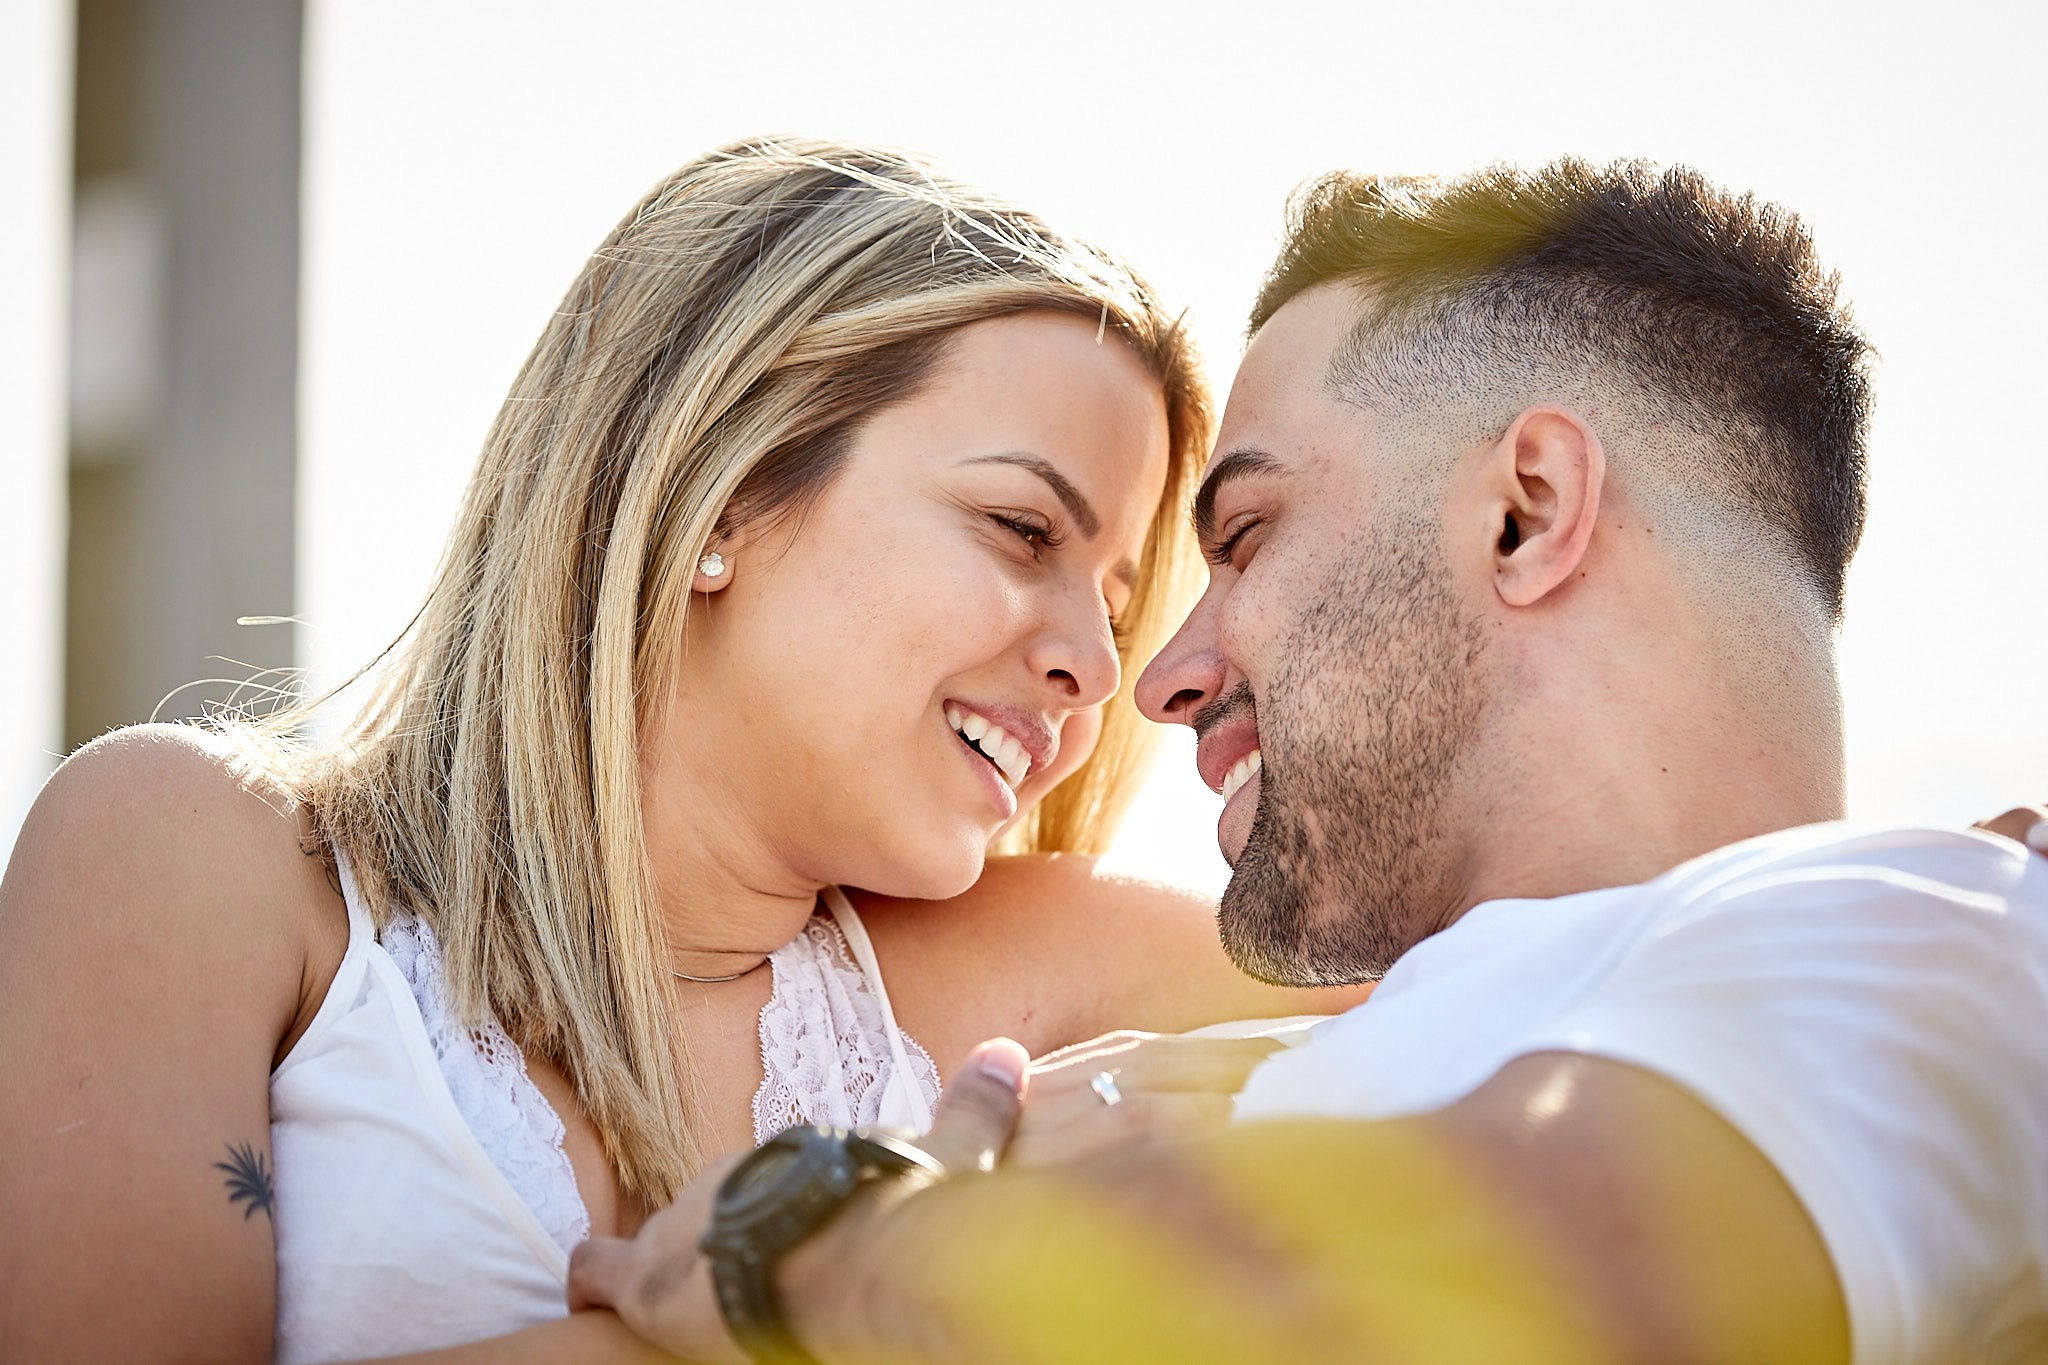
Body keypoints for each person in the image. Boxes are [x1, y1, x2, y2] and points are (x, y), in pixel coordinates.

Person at [568, 160, 2048, 1364]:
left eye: (1250, 532)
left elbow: (1446, 1296)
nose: (1163, 674)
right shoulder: (1257, 1065)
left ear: (1525, 512)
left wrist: (826, 1242)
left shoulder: (1932, 932)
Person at [0, 139, 1364, 1364]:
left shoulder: (1028, 975)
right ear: (725, 488)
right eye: (1021, 531)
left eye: (1121, 600)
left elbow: (1553, 1021)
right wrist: (817, 1295)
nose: (1102, 664)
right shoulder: (196, 861)